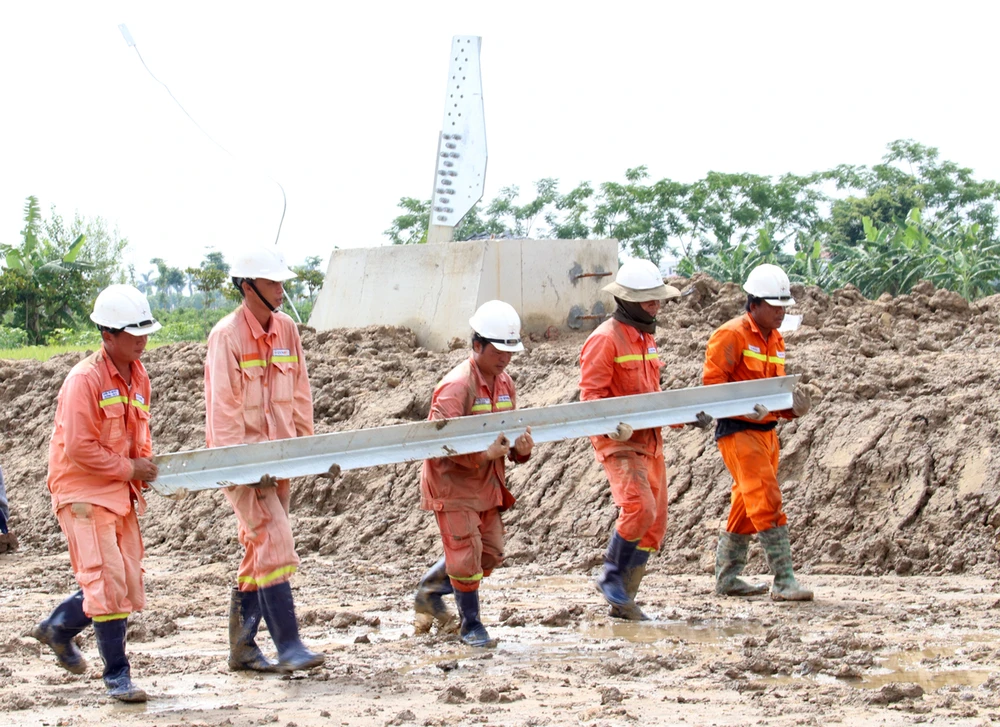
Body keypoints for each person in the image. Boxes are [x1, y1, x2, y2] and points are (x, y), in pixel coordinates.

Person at [32, 285, 161, 702]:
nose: (142, 339)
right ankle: (117, 677)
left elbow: (138, 435)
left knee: (122, 580)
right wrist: (129, 468)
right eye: (133, 331)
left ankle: (59, 627)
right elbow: (79, 448)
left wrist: (141, 471)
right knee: (106, 581)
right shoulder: (83, 381)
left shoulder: (138, 375)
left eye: (145, 330)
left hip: (118, 490)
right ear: (108, 334)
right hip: (83, 491)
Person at [204, 246, 324, 673]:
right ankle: (289, 645)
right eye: (273, 282)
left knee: (261, 548)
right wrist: (244, 469)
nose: (281, 289)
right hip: (245, 464)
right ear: (247, 286)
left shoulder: (287, 329)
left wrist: (304, 451)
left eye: (280, 281)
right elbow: (224, 412)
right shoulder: (227, 337)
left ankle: (242, 648)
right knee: (274, 541)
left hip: (283, 459)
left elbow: (301, 395)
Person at [580, 259, 697, 621]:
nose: (655, 306)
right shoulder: (603, 339)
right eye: (648, 301)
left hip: (649, 440)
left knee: (655, 521)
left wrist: (685, 416)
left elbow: (652, 393)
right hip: (618, 441)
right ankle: (611, 576)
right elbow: (591, 398)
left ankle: (624, 601)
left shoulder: (647, 338)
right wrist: (614, 426)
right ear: (626, 301)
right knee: (639, 507)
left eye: (657, 300)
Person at [415, 300, 534, 647]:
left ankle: (432, 588)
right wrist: (483, 454)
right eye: (499, 350)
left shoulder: (504, 383)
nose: (505, 358)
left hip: (486, 483)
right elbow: (441, 446)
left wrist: (519, 451)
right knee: (466, 555)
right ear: (477, 345)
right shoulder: (455, 387)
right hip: (453, 485)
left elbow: (508, 435)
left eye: (510, 351)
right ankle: (471, 625)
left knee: (491, 552)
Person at [703, 263, 813, 601]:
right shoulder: (731, 334)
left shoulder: (775, 339)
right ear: (755, 303)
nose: (781, 313)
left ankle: (728, 578)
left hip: (767, 432)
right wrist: (747, 409)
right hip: (739, 432)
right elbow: (712, 388)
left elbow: (775, 392)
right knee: (766, 499)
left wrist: (791, 408)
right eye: (775, 306)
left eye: (784, 307)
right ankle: (784, 580)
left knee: (745, 504)